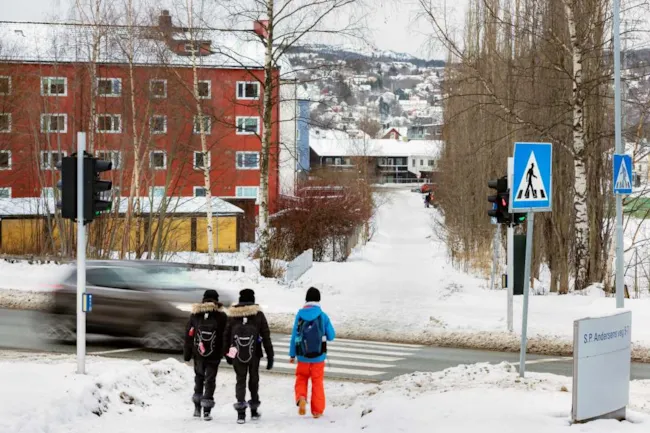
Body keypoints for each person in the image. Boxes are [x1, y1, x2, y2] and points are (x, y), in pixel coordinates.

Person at [223, 288, 274, 424]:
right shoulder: (258, 315)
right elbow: (266, 336)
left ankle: (241, 413)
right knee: (253, 380)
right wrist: (270, 356)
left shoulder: (233, 316)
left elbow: (226, 336)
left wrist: (227, 354)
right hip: (255, 354)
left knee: (240, 381)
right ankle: (254, 411)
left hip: (237, 354)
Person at [289, 287, 336, 419]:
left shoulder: (299, 315)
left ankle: (301, 398)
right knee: (317, 382)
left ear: (306, 299)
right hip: (319, 356)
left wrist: (292, 354)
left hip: (303, 356)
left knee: (301, 378)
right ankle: (317, 411)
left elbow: (294, 336)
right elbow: (332, 336)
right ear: (318, 299)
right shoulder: (323, 315)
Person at [183, 289, 227, 421]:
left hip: (198, 353)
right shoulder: (222, 316)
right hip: (214, 355)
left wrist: (187, 353)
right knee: (210, 380)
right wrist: (223, 353)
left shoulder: (195, 314)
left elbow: (188, 335)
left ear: (203, 299)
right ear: (217, 300)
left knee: (199, 377)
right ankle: (207, 410)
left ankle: (197, 408)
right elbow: (225, 336)